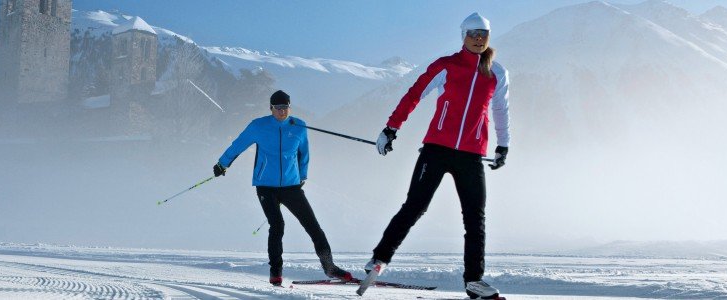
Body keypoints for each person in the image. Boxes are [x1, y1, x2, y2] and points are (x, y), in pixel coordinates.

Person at [361, 12, 511, 299]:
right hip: (436, 149)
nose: (478, 39)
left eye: (483, 35)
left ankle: (474, 281)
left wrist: (503, 146)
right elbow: (415, 93)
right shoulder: (446, 66)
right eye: (473, 34)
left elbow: (501, 111)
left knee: (475, 218)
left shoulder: (497, 73)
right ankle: (379, 258)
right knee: (415, 206)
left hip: (471, 155)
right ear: (463, 36)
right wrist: (391, 128)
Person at [213, 90, 354, 286]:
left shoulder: (299, 126)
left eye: (285, 107)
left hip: (291, 187)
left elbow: (304, 153)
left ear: (290, 106)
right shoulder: (258, 126)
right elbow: (238, 144)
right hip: (266, 187)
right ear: (271, 108)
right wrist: (222, 163)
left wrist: (302, 175)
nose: (282, 112)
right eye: (278, 108)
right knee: (277, 226)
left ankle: (330, 267)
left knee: (313, 226)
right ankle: (276, 273)